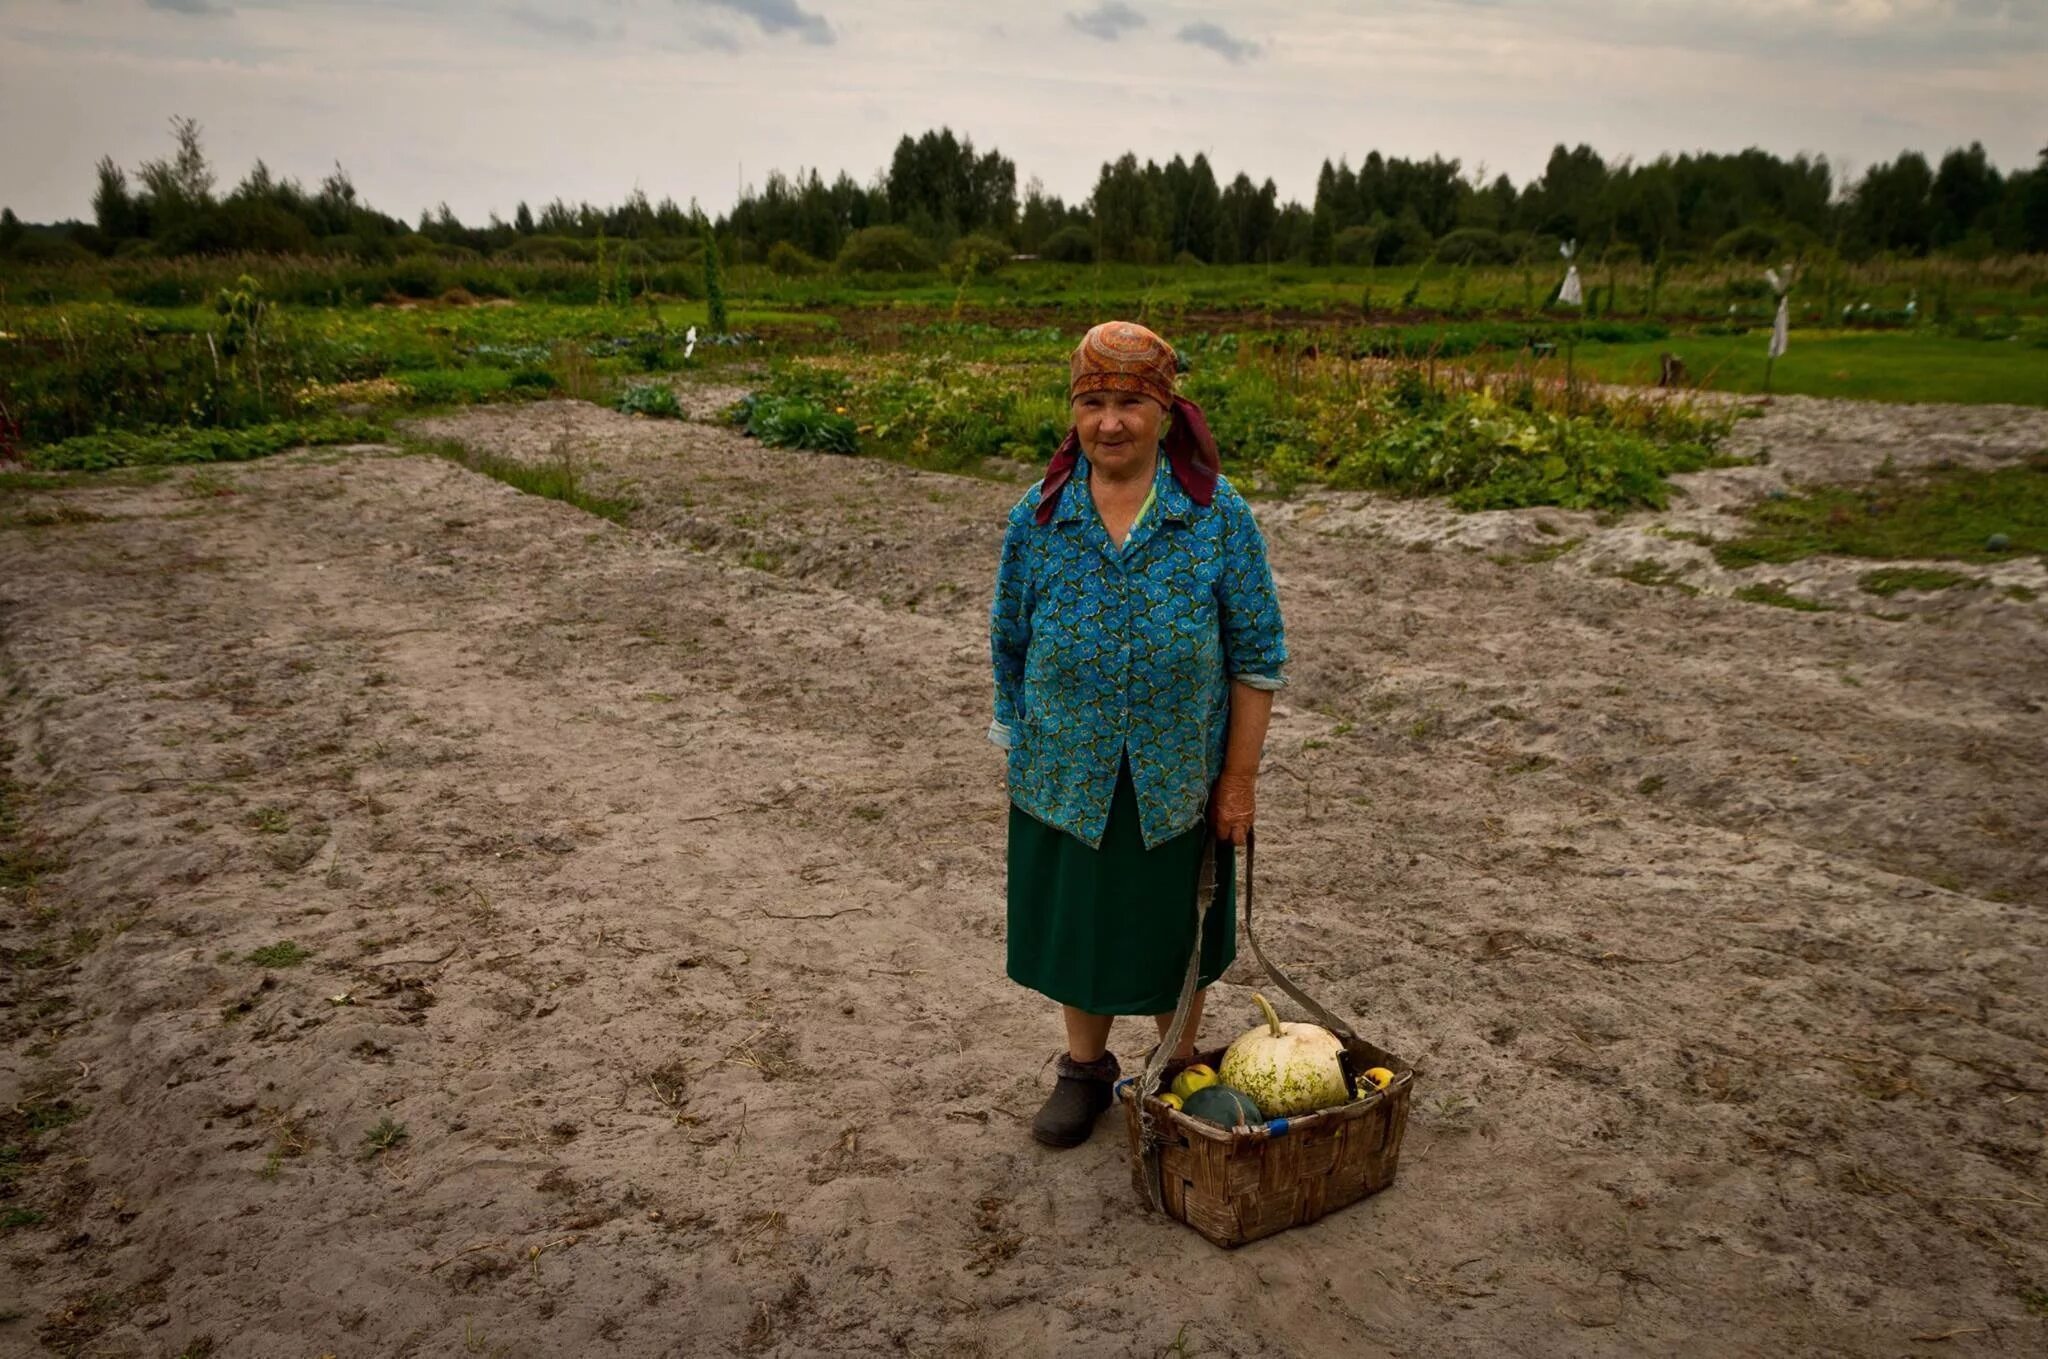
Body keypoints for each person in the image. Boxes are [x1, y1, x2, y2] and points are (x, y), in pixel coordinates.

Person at [988, 320, 1288, 1149]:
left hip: (1177, 772)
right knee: (1080, 920)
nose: (1109, 421)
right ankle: (1085, 1069)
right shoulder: (1040, 516)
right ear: (1073, 411)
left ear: (1166, 411)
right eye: (1092, 401)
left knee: (1173, 924)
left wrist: (1239, 780)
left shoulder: (1215, 515)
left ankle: (1175, 1069)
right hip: (1066, 769)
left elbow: (1257, 652)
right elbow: (1009, 640)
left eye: (1129, 402)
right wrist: (1022, 736)